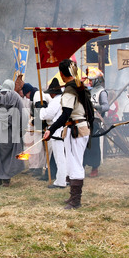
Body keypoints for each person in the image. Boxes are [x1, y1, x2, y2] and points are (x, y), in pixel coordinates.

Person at [43, 59, 92, 210]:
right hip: (76, 128)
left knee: (75, 163)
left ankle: (76, 201)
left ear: (63, 74)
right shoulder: (78, 86)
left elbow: (66, 114)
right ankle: (73, 196)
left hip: (77, 129)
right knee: (72, 163)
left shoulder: (71, 89)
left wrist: (51, 130)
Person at [0, 79, 27, 187]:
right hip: (11, 131)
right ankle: (6, 180)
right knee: (9, 155)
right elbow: (22, 114)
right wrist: (21, 130)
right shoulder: (16, 97)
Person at [39, 78, 68, 189]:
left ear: (53, 93)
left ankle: (61, 181)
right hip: (63, 131)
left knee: (59, 157)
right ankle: (65, 177)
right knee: (64, 157)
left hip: (58, 131)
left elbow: (47, 115)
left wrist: (42, 110)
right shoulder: (62, 99)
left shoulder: (56, 101)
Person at [83, 67, 108, 178]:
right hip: (85, 120)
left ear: (97, 80)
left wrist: (96, 106)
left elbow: (106, 106)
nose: (90, 82)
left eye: (91, 80)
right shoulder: (88, 90)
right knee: (83, 144)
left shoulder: (102, 92)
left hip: (96, 122)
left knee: (94, 145)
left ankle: (95, 168)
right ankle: (82, 166)